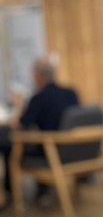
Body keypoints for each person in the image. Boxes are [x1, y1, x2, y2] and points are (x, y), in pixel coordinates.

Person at [0, 57, 79, 206]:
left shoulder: (39, 97)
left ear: (37, 76)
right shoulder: (71, 93)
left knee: (8, 144)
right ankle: (42, 191)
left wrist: (19, 105)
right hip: (72, 151)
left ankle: (10, 195)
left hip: (51, 153)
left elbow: (19, 124)